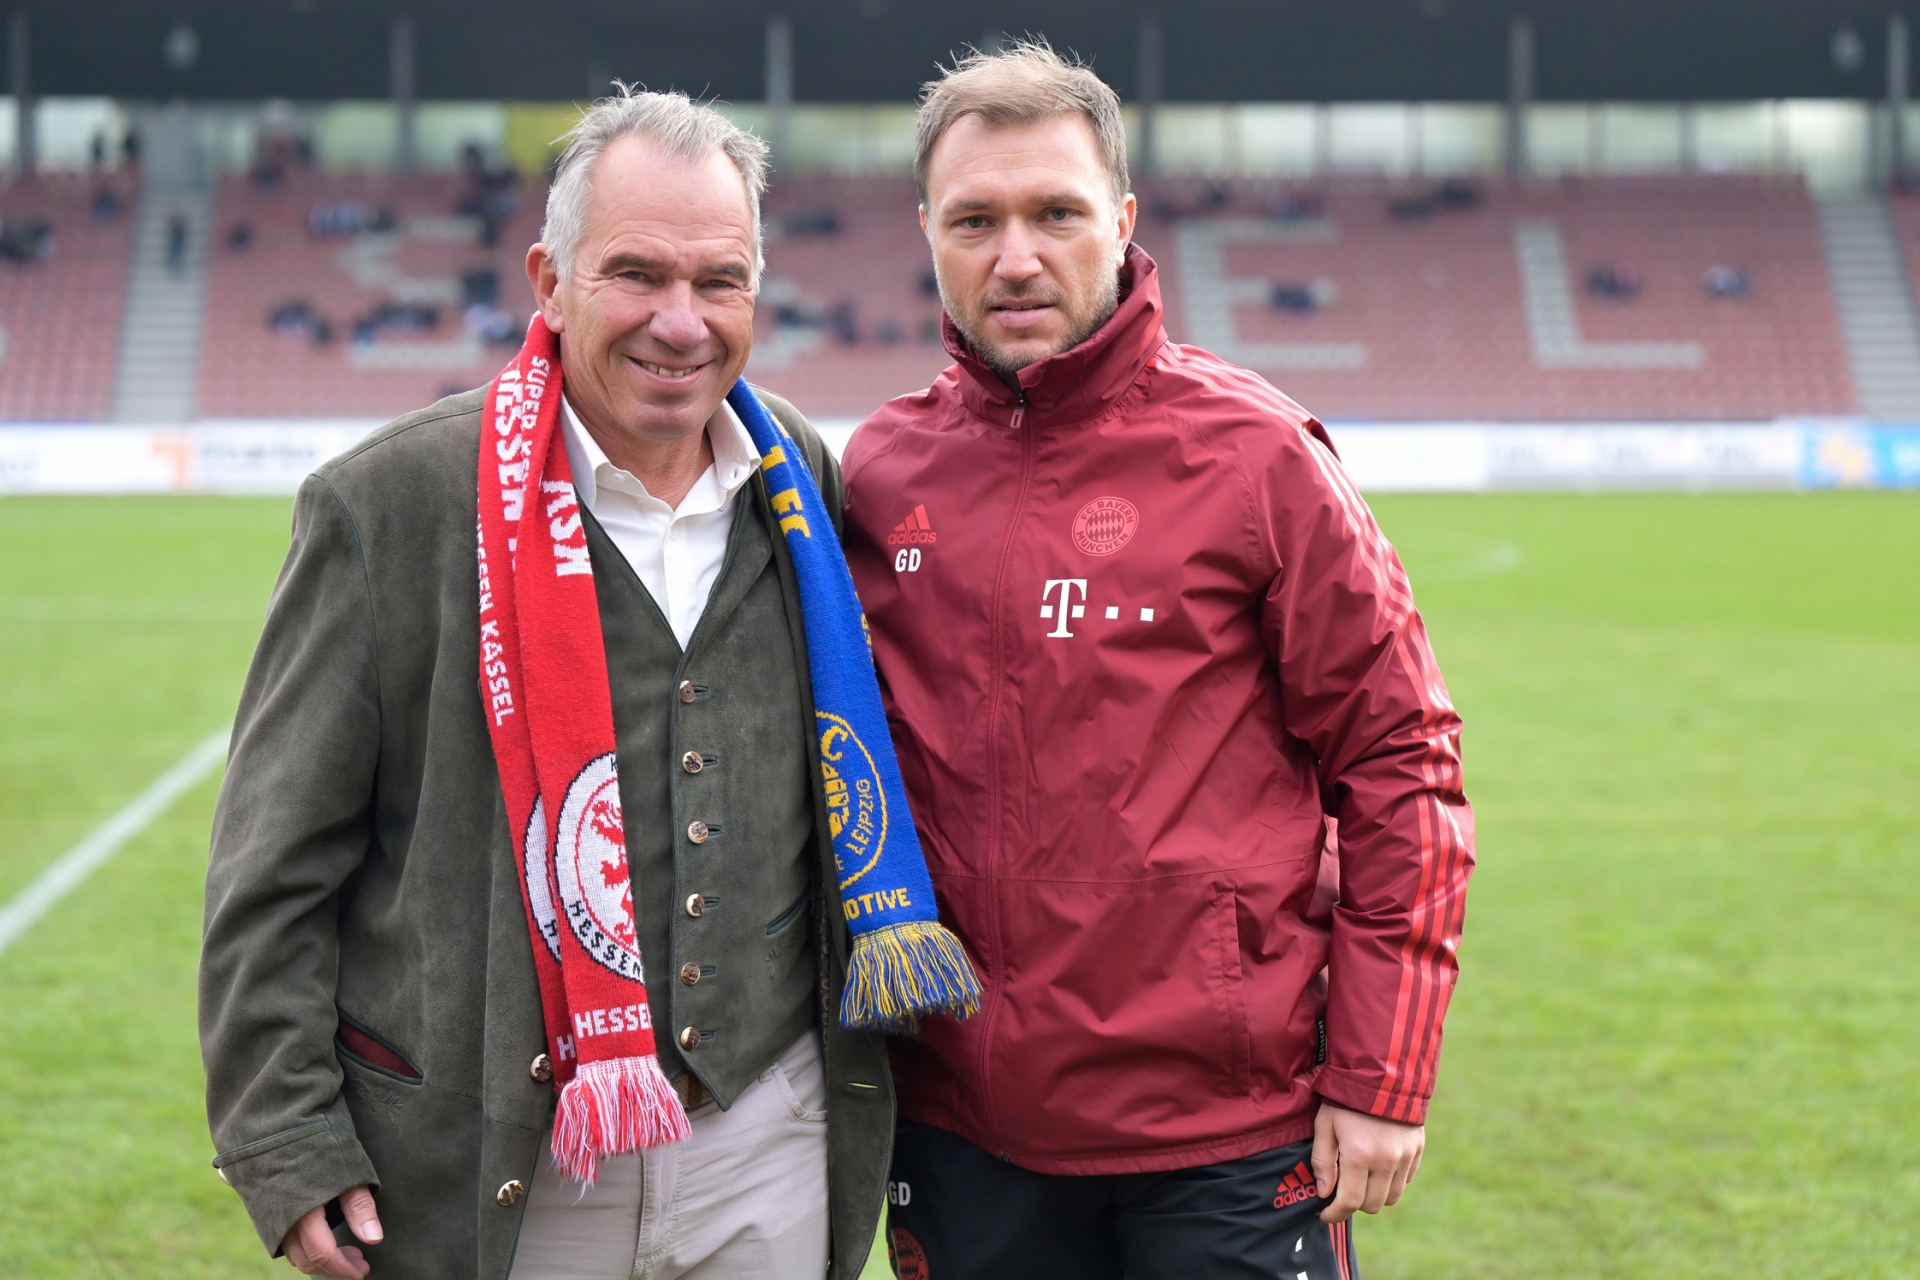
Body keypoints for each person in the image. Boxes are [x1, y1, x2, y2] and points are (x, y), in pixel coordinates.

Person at [200, 89, 894, 1280]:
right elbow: (274, 862)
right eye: (637, 274)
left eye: (720, 280)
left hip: (766, 1141)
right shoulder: (391, 507)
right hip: (503, 1157)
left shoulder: (801, 476)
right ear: (549, 278)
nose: (682, 322)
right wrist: (284, 1132)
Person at [840, 42, 1475, 1279]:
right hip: (961, 1127)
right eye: (975, 219)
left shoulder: (1257, 457)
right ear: (927, 232)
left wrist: (1384, 1074)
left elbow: (1403, 757)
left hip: (1227, 1136)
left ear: (1122, 221)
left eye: (1055, 213)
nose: (1014, 255)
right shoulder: (877, 473)